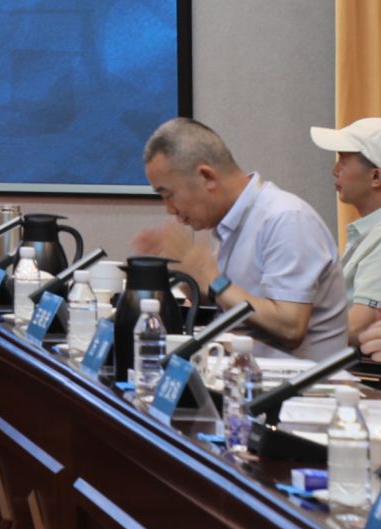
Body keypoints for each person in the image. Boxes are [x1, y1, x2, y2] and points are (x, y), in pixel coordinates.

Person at [132, 117, 349, 360]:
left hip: (300, 383)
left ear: (206, 177)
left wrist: (211, 278)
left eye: (169, 195)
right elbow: (230, 302)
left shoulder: (286, 218)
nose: (169, 209)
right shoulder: (232, 224)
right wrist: (188, 276)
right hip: (246, 375)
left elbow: (289, 326)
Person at [312, 117, 381, 342]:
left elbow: (359, 325)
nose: (335, 170)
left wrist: (284, 335)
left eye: (343, 160)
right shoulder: (368, 233)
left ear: (376, 176)